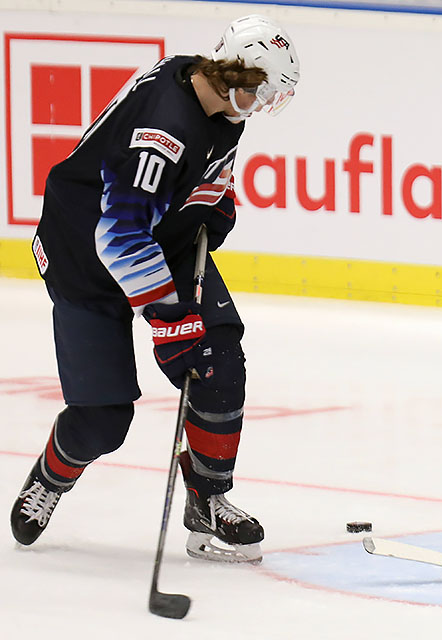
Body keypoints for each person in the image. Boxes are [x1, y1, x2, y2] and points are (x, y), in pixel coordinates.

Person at [10, 14, 300, 564]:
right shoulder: (164, 130)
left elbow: (200, 171)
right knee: (104, 418)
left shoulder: (211, 91)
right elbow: (118, 235)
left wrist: (214, 204)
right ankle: (51, 475)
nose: (262, 107)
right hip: (85, 258)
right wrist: (170, 319)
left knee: (217, 359)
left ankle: (208, 499)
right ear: (239, 77)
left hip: (154, 238)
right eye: (263, 93)